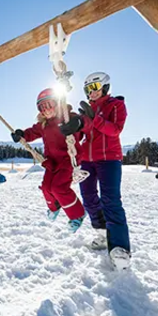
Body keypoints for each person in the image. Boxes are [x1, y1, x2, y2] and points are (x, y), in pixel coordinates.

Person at [60, 71, 131, 270]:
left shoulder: (116, 105)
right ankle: (101, 234)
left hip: (109, 159)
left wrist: (94, 119)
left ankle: (120, 249)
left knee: (111, 200)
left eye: (94, 88)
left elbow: (115, 130)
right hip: (88, 161)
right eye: (87, 89)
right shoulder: (86, 111)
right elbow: (81, 134)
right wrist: (72, 129)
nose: (90, 93)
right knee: (89, 197)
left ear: (105, 87)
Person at [11, 88, 91, 232]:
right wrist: (21, 134)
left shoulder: (68, 118)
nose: (46, 110)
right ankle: (55, 207)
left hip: (68, 160)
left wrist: (78, 123)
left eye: (49, 105)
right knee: (46, 187)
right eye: (42, 108)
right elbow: (31, 132)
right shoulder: (43, 125)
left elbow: (85, 123)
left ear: (58, 103)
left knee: (59, 188)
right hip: (52, 162)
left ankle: (77, 214)